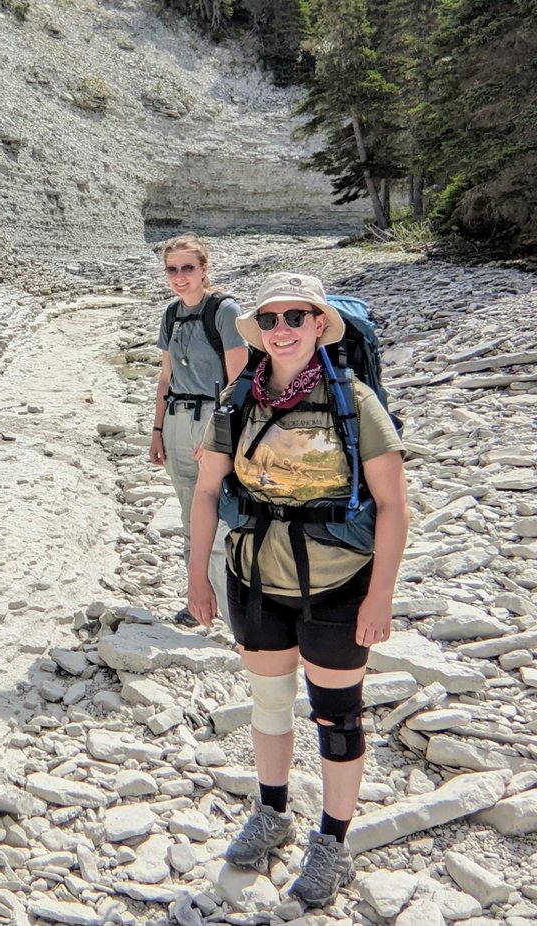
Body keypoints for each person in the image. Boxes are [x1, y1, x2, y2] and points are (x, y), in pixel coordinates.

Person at [187, 272, 407, 908]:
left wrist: (380, 597)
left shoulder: (354, 401)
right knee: (270, 703)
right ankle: (272, 811)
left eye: (295, 317)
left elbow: (393, 505)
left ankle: (333, 841)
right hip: (254, 577)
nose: (282, 330)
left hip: (338, 582)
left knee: (337, 717)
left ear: (318, 325)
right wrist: (197, 576)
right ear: (259, 331)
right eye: (271, 320)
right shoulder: (238, 399)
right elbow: (206, 491)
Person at [148, 235, 246, 625]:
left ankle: (228, 608)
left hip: (212, 419)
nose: (180, 276)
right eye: (172, 269)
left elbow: (239, 381)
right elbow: (165, 378)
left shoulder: (224, 311)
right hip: (176, 420)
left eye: (188, 268)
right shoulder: (170, 315)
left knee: (218, 516)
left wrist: (219, 437)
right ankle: (199, 600)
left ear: (205, 269)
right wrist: (156, 431)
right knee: (190, 516)